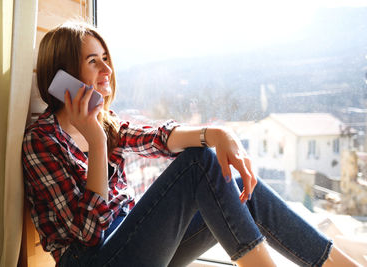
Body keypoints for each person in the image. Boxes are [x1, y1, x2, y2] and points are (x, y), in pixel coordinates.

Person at [22, 21, 360, 267]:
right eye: (92, 60)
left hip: (130, 243)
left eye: (106, 57)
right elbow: (88, 234)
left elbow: (160, 137)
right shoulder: (42, 142)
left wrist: (217, 134)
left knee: (243, 190)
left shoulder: (108, 126)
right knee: (198, 164)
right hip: (90, 260)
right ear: (64, 75)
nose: (106, 69)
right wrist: (96, 143)